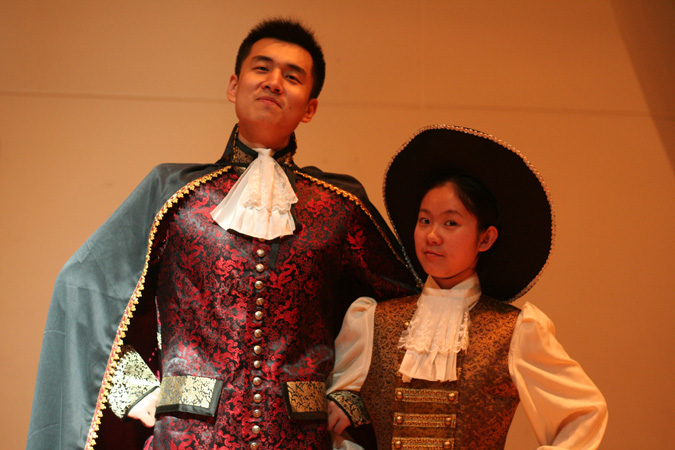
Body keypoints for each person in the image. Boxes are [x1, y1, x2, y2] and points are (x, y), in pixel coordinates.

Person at [27, 18, 419, 450]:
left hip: (299, 438)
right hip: (186, 437)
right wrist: (131, 388)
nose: (273, 82)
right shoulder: (174, 195)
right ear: (234, 86)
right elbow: (85, 292)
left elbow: (409, 305)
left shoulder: (339, 206)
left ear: (310, 108)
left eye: (292, 77)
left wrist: (351, 394)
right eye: (261, 68)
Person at [326, 125, 608, 449]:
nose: (432, 235)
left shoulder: (515, 331)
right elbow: (331, 419)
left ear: (485, 239)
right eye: (424, 220)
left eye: (451, 223)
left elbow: (585, 413)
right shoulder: (372, 322)